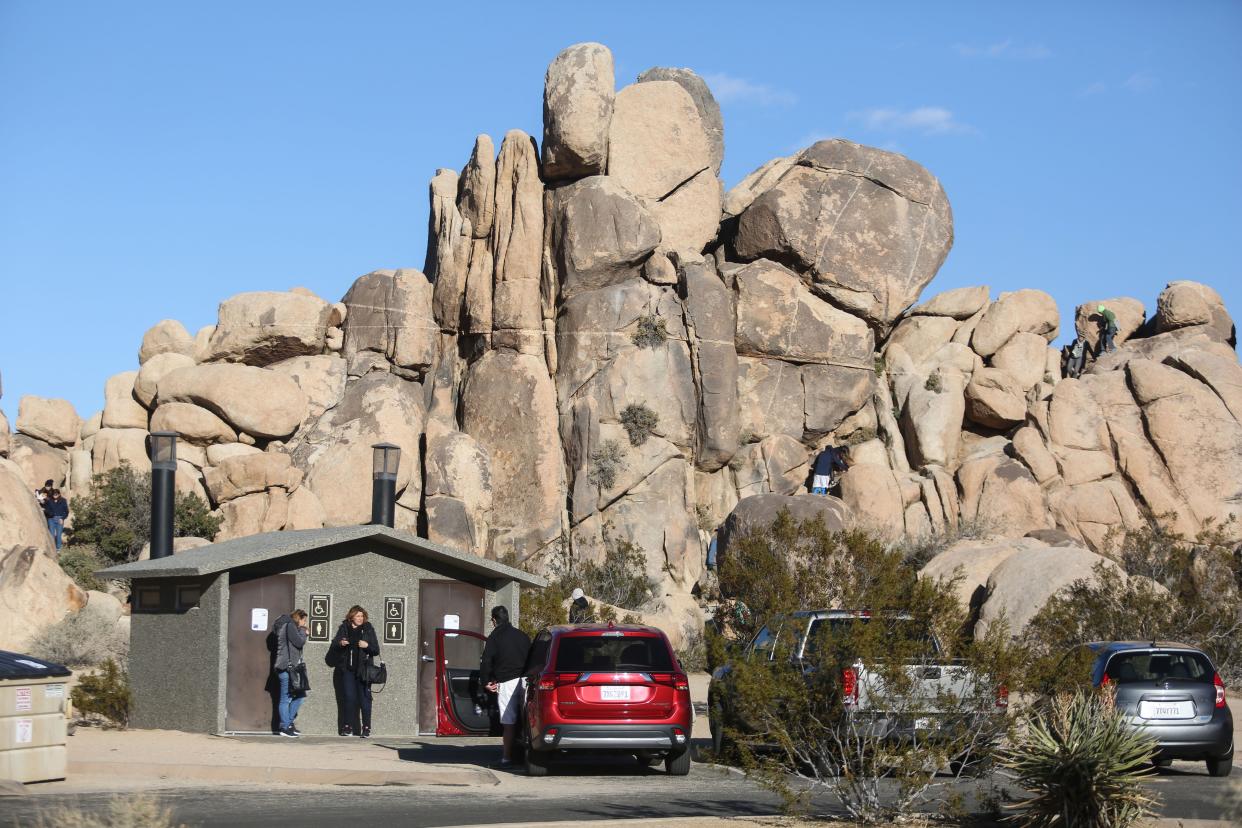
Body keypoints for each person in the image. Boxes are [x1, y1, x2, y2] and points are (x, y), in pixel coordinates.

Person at [479, 605, 531, 767]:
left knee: (508, 723)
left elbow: (486, 661)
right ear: (507, 618)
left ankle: (507, 758)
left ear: (494, 620)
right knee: (526, 721)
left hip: (507, 682)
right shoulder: (522, 636)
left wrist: (486, 682)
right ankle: (528, 755)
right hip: (525, 681)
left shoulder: (495, 637)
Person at [333, 605, 380, 737]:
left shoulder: (368, 628)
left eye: (362, 616)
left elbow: (376, 650)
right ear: (351, 616)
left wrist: (367, 646)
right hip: (347, 669)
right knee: (349, 698)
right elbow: (335, 644)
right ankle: (347, 727)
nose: (360, 618)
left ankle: (366, 728)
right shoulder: (344, 628)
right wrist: (340, 643)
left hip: (363, 670)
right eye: (357, 616)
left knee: (365, 699)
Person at [272, 609, 309, 737]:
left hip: (292, 668)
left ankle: (288, 723)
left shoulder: (290, 627)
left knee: (300, 696)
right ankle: (284, 726)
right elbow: (299, 642)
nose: (305, 623)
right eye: (304, 620)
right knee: (286, 699)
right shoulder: (289, 626)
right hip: (286, 668)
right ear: (299, 618)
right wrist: (303, 630)